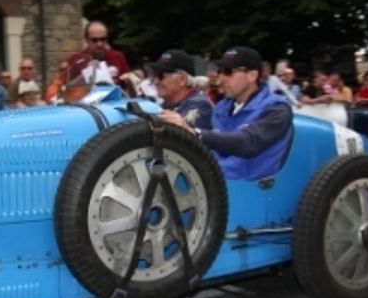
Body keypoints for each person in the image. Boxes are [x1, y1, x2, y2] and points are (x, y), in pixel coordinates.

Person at [160, 46, 293, 181]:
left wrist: (194, 133)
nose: (221, 78)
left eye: (228, 72)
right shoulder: (223, 106)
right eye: (220, 71)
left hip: (246, 189)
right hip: (216, 183)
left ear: (252, 75)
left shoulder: (277, 109)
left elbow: (247, 142)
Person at [64, 21, 130, 99]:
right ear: (86, 40)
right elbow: (68, 90)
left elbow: (127, 87)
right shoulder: (76, 60)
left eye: (103, 39)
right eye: (94, 40)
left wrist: (132, 79)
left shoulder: (117, 57)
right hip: (87, 107)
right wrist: (87, 73)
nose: (99, 44)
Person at [151, 49, 212, 129]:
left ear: (182, 79)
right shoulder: (164, 105)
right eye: (155, 75)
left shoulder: (199, 105)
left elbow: (188, 138)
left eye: (160, 76)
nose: (155, 82)